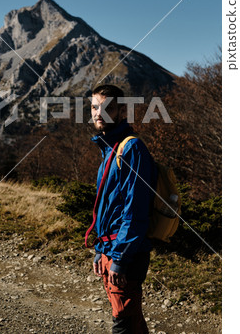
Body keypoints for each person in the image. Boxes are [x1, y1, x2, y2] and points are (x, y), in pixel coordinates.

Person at [89, 84, 157, 334]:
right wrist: (100, 248)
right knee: (131, 319)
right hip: (111, 247)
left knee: (124, 321)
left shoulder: (131, 149)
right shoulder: (110, 149)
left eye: (107, 108)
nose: (98, 113)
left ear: (121, 112)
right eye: (95, 107)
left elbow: (135, 211)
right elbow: (109, 208)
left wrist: (119, 258)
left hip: (126, 252)